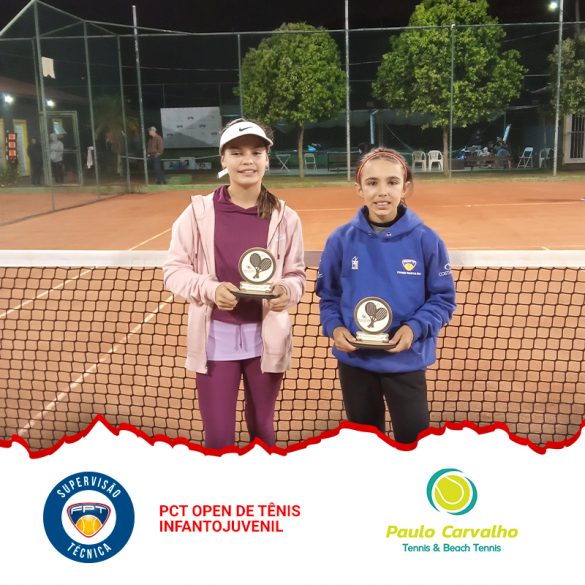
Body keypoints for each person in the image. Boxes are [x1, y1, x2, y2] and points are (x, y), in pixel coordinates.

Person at [163, 118, 306, 449]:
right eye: (237, 152)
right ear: (223, 159)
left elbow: (296, 275)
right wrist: (211, 289)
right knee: (218, 438)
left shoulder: (286, 217)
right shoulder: (197, 213)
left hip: (266, 340)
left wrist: (287, 291)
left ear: (267, 159)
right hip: (215, 340)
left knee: (263, 430)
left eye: (256, 152)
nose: (247, 161)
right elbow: (174, 270)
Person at [316, 147, 456, 444]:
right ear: (359, 189)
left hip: (406, 360)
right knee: (366, 444)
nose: (382, 192)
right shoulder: (340, 240)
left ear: (405, 188)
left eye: (392, 182)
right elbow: (328, 297)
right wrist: (336, 328)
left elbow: (442, 299)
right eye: (372, 183)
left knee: (414, 442)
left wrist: (413, 329)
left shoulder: (426, 239)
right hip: (356, 362)